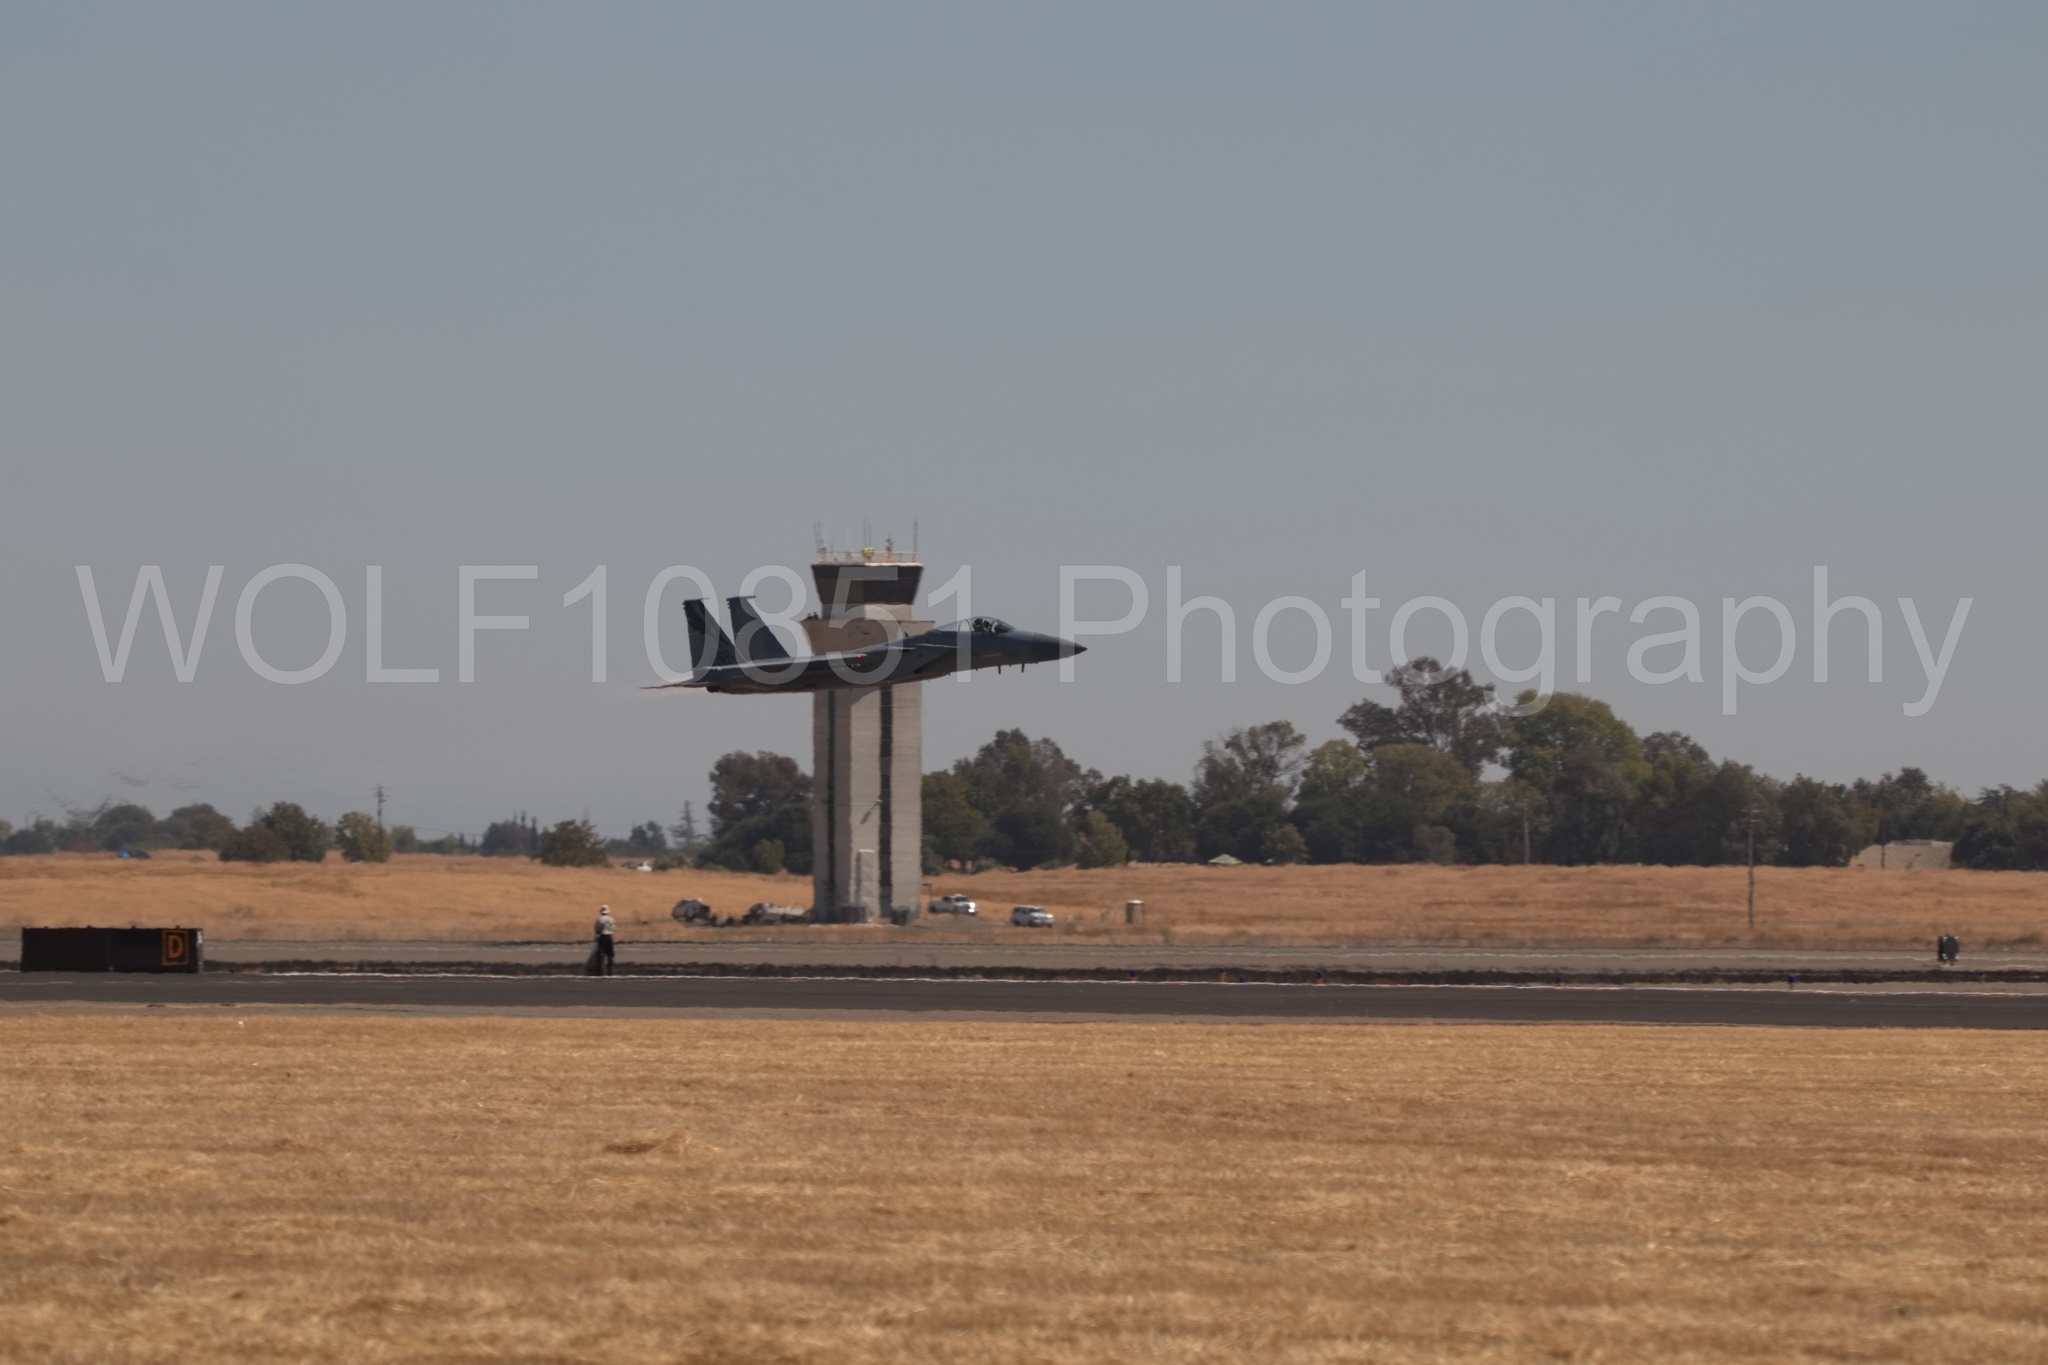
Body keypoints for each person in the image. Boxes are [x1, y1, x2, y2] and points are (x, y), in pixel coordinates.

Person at [593, 904, 616, 976]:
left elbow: (597, 929)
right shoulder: (611, 919)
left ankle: (601, 966)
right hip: (609, 936)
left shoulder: (599, 919)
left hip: (603, 936)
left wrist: (597, 935)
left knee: (601, 952)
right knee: (610, 953)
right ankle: (610, 966)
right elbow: (613, 928)